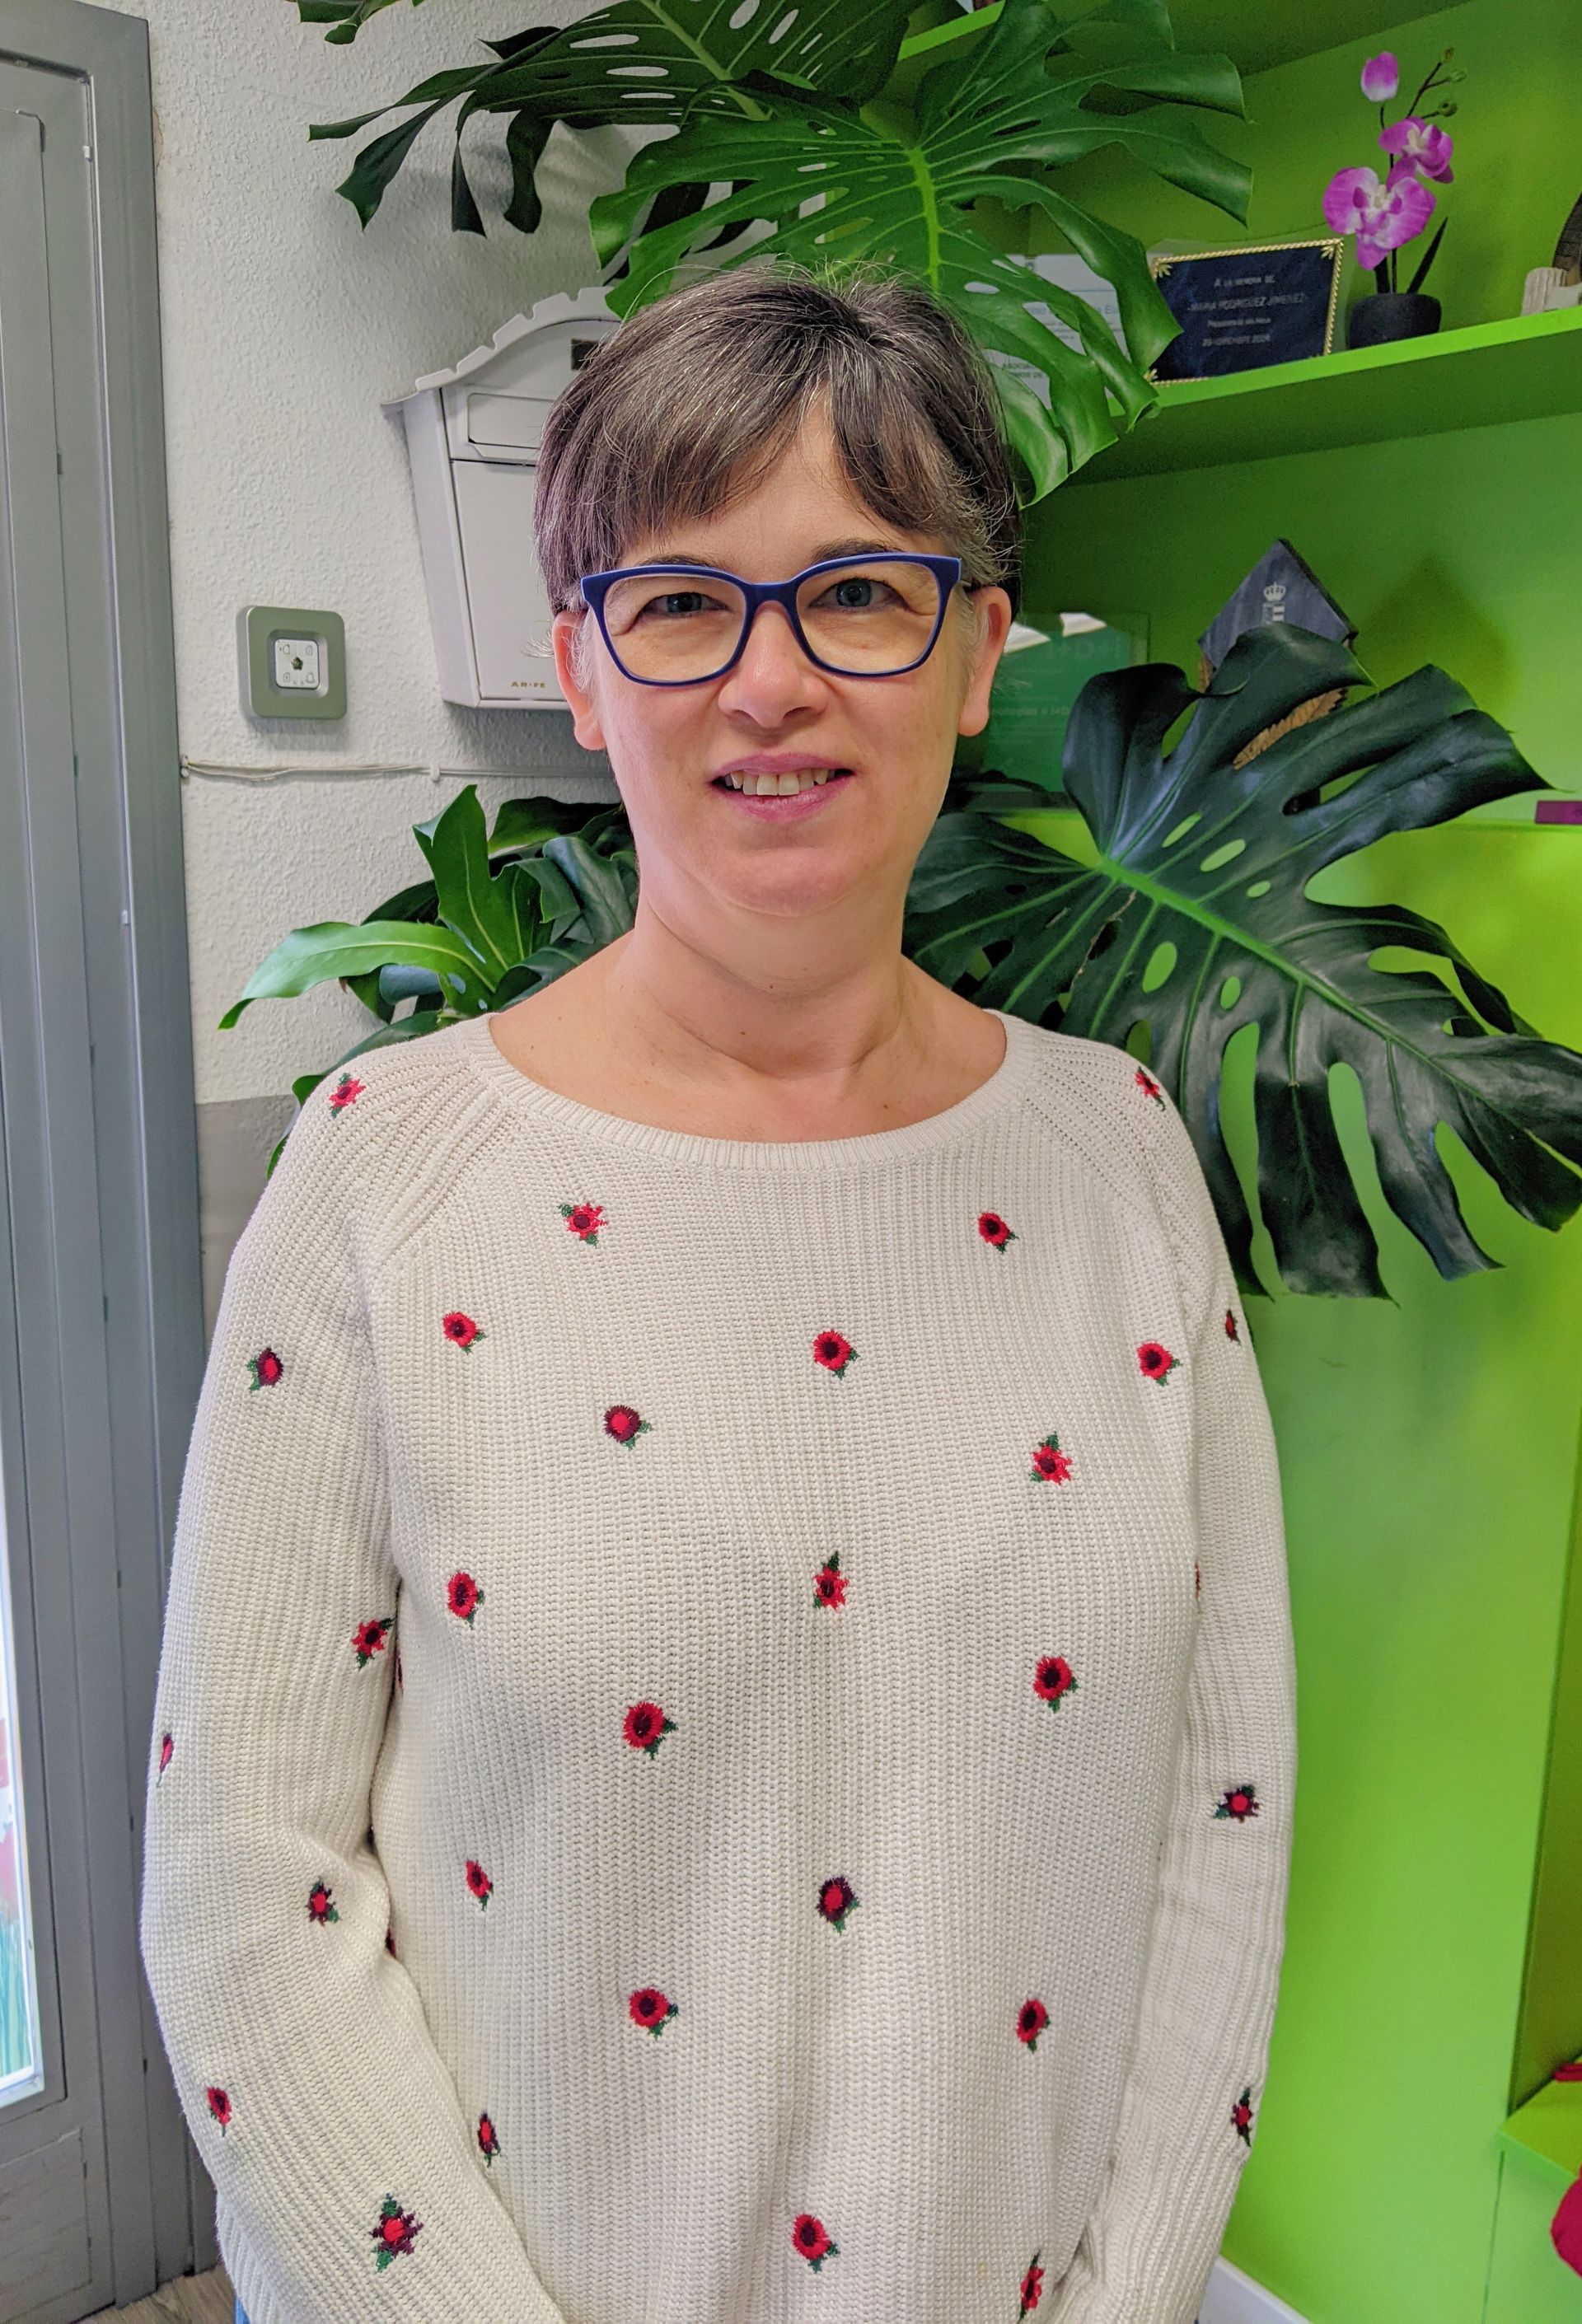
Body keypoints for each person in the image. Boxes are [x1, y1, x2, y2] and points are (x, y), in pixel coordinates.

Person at [141, 257, 1297, 2324]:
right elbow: (245, 1889)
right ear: (584, 671)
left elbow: (1225, 1802)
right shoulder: (387, 1178)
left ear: (977, 654)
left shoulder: (1120, 1155)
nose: (772, 682)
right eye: (681, 602)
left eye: (859, 592)